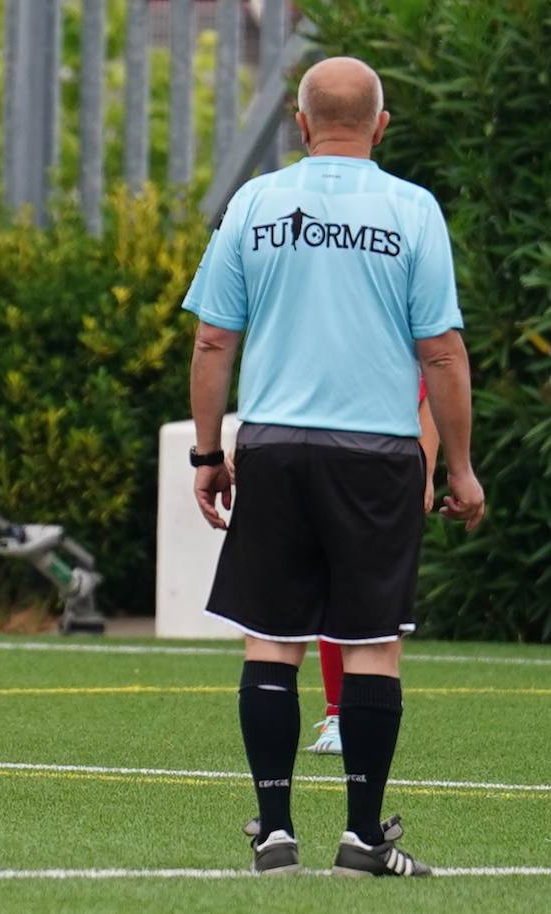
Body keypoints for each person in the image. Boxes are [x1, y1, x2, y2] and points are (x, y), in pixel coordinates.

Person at [184, 56, 485, 877]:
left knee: (271, 642)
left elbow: (213, 339)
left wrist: (209, 451)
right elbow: (444, 353)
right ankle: (362, 839)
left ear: (301, 122)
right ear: (380, 125)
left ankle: (275, 832)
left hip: (275, 446)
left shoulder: (254, 202)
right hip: (379, 454)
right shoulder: (412, 209)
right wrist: (457, 465)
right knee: (371, 646)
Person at [306, 382, 438, 756]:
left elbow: (429, 386)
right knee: (329, 585)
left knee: (377, 592)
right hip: (320, 458)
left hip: (387, 463)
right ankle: (338, 713)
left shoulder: (396, 330)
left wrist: (425, 472)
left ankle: (367, 707)